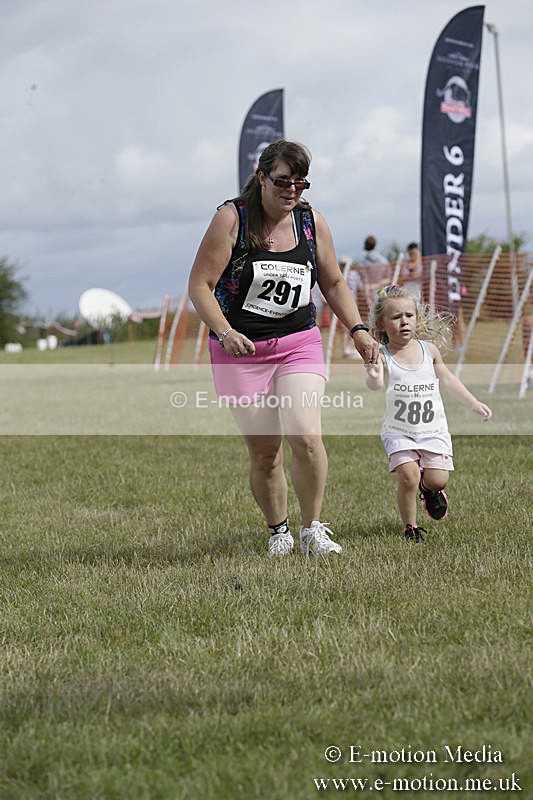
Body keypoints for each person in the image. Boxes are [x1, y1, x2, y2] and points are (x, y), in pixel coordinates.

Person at [188, 139, 379, 557]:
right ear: (261, 179)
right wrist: (224, 331)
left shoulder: (311, 222)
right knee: (265, 452)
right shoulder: (231, 219)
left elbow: (331, 282)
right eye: (282, 181)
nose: (291, 190)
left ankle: (313, 529)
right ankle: (279, 532)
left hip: (298, 343)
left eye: (300, 183)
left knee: (306, 435)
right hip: (241, 349)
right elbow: (199, 286)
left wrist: (359, 329)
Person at [364, 284, 492, 542]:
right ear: (381, 323)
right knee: (408, 476)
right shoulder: (382, 355)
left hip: (432, 429)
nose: (404, 322)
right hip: (399, 431)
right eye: (396, 317)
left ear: (417, 318)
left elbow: (447, 379)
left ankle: (430, 490)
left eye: (409, 316)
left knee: (438, 480)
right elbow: (375, 384)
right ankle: (410, 528)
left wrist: (473, 403)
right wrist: (373, 373)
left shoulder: (429, 351)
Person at [358, 235, 391, 310]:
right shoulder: (384, 260)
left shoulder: (363, 263)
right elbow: (389, 279)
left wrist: (367, 297)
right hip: (383, 292)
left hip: (370, 293)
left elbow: (365, 282)